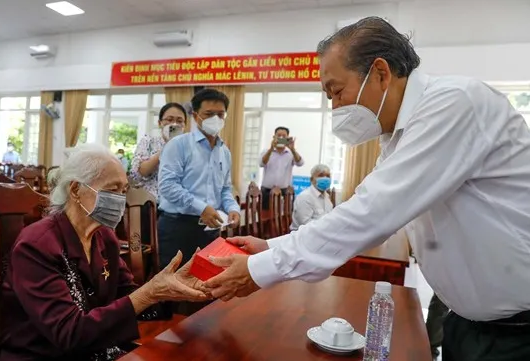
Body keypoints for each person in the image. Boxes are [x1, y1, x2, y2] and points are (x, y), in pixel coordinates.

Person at [201, 17, 530, 361]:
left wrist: (260, 269)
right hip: (471, 325)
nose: (334, 106)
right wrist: (270, 246)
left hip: (518, 334)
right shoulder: (398, 135)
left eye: (337, 90)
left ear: (380, 73)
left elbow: (372, 213)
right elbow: (359, 210)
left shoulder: (454, 104)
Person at [0, 143, 210, 361]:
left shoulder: (104, 237)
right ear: (75, 190)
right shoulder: (37, 245)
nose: (120, 199)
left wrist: (171, 289)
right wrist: (150, 292)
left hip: (95, 349)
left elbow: (126, 295)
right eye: (111, 190)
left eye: (123, 190)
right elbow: (69, 333)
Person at [157, 88, 241, 270]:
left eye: (220, 114)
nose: (215, 119)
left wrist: (233, 208)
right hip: (178, 226)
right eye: (209, 114)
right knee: (174, 288)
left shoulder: (224, 151)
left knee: (207, 284)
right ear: (195, 116)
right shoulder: (178, 145)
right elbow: (168, 186)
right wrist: (202, 208)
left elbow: (225, 189)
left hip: (211, 228)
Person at [130, 103, 188, 200]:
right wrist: (167, 148)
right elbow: (139, 173)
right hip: (151, 203)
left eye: (179, 121)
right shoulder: (149, 141)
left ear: (184, 125)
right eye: (169, 119)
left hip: (180, 203)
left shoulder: (189, 146)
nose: (174, 124)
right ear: (159, 123)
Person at [259, 126, 304, 209]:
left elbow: (300, 163)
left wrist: (293, 149)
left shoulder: (291, 153)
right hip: (267, 191)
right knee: (265, 215)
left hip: (285, 192)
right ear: (274, 137)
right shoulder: (266, 151)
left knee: (284, 217)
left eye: (284, 136)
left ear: (287, 138)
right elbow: (261, 163)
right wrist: (271, 148)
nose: (281, 138)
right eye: (278, 135)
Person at [290, 164, 334, 231]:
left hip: (321, 233)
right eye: (321, 175)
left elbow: (329, 217)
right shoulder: (304, 197)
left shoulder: (327, 197)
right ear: (311, 179)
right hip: (303, 236)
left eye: (328, 176)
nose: (325, 178)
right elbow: (305, 224)